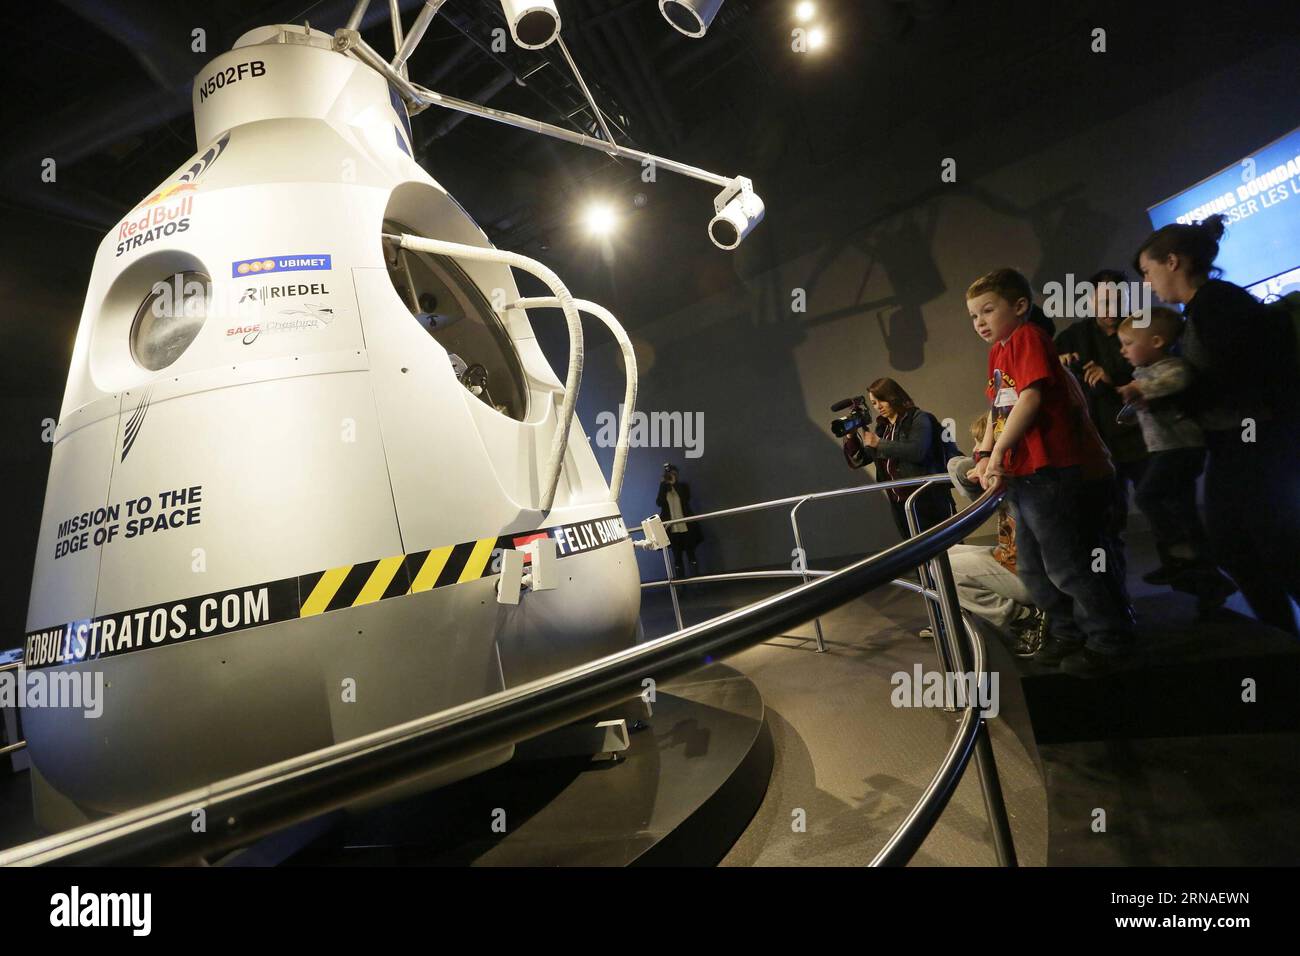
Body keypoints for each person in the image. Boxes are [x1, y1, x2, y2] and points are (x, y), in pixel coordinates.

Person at [1134, 214, 1300, 636]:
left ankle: (1279, 634)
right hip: (1240, 444)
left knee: (1269, 546)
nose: (1148, 282)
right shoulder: (1207, 306)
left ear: (1172, 261)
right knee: (1240, 544)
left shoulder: (1217, 305)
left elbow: (1238, 378)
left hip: (1256, 444)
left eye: (1148, 271)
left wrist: (1171, 392)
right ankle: (1279, 636)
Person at [965, 268, 1135, 676]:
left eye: (988, 310)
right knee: (1033, 567)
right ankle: (1066, 631)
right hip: (1026, 474)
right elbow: (999, 408)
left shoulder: (1027, 338)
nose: (980, 322)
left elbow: (1030, 398)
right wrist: (984, 451)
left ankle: (1108, 638)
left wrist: (1000, 451)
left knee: (1069, 563)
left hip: (1051, 470)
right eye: (973, 316)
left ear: (1020, 306)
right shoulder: (998, 352)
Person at [1114, 309, 1235, 610]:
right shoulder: (1143, 374)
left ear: (1156, 341)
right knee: (1181, 506)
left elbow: (1176, 380)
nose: (1123, 350)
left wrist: (1140, 389)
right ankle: (1206, 577)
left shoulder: (1169, 367)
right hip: (1165, 449)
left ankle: (1180, 552)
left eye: (1128, 343)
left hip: (1181, 448)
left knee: (1147, 495)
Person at [947, 415, 1046, 657]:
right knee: (940, 554)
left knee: (949, 567)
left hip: (1031, 577)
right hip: (1010, 560)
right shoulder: (1003, 482)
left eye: (979, 447)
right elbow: (955, 466)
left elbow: (959, 468)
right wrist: (982, 463)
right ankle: (953, 619)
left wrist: (988, 462)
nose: (975, 452)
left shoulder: (1018, 484)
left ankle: (1025, 619)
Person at [850, 377, 957, 540]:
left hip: (927, 498)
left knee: (947, 548)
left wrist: (879, 443)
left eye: (881, 400)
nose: (878, 406)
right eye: (873, 403)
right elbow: (860, 460)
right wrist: (850, 436)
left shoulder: (919, 418)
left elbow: (917, 451)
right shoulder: (883, 427)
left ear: (893, 396)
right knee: (916, 553)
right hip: (900, 503)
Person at [656, 464, 702, 578]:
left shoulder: (683, 486)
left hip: (686, 527)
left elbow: (686, 498)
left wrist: (674, 484)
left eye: (672, 474)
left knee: (691, 555)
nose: (670, 477)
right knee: (677, 558)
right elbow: (659, 503)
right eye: (668, 475)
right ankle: (681, 587)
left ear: (676, 474)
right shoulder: (664, 489)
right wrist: (663, 485)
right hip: (673, 529)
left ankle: (697, 583)